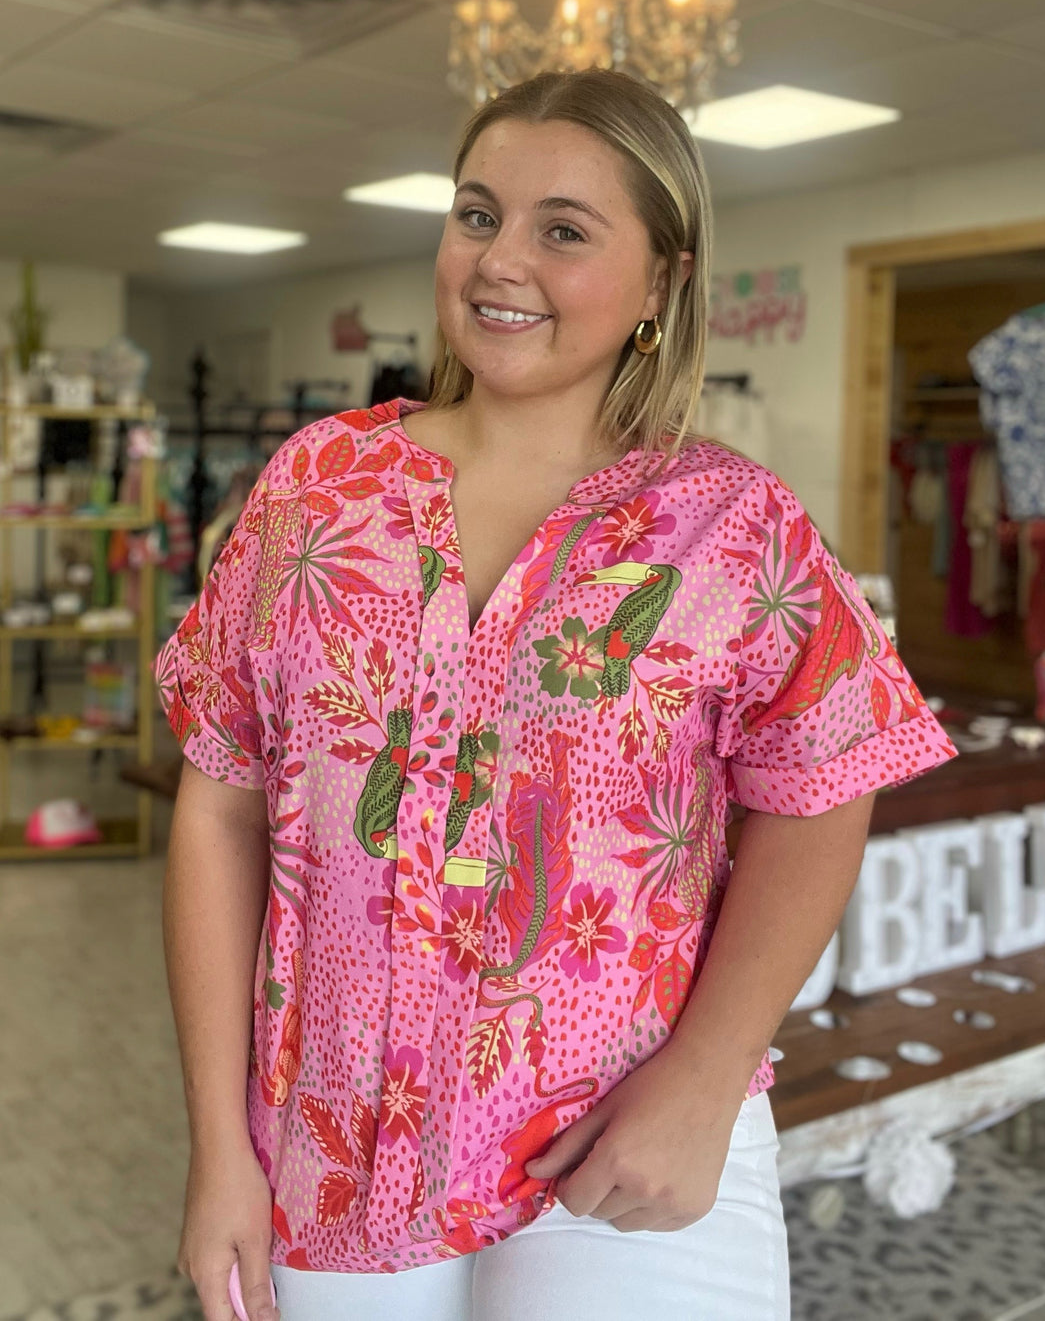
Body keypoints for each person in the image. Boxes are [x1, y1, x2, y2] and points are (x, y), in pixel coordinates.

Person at [157, 67, 956, 1321]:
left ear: (663, 280)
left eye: (563, 230)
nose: (499, 260)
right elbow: (217, 809)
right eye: (477, 214)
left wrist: (706, 1079)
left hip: (625, 1148)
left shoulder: (729, 529)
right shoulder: (319, 490)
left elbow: (823, 787)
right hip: (327, 1153)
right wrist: (218, 1144)